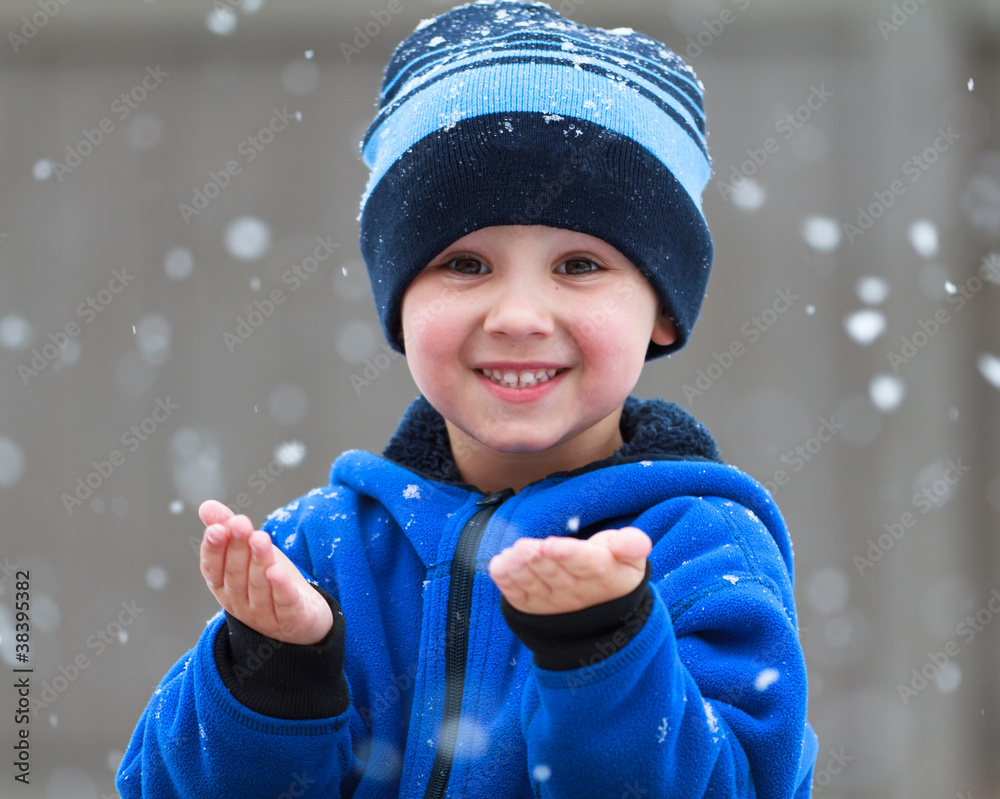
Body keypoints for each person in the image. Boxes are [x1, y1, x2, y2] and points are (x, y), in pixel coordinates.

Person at [116, 1, 818, 796]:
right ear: (399, 305)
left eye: (580, 264)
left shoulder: (702, 547)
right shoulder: (321, 550)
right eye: (465, 264)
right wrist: (274, 675)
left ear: (661, 308)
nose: (518, 316)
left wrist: (606, 650)